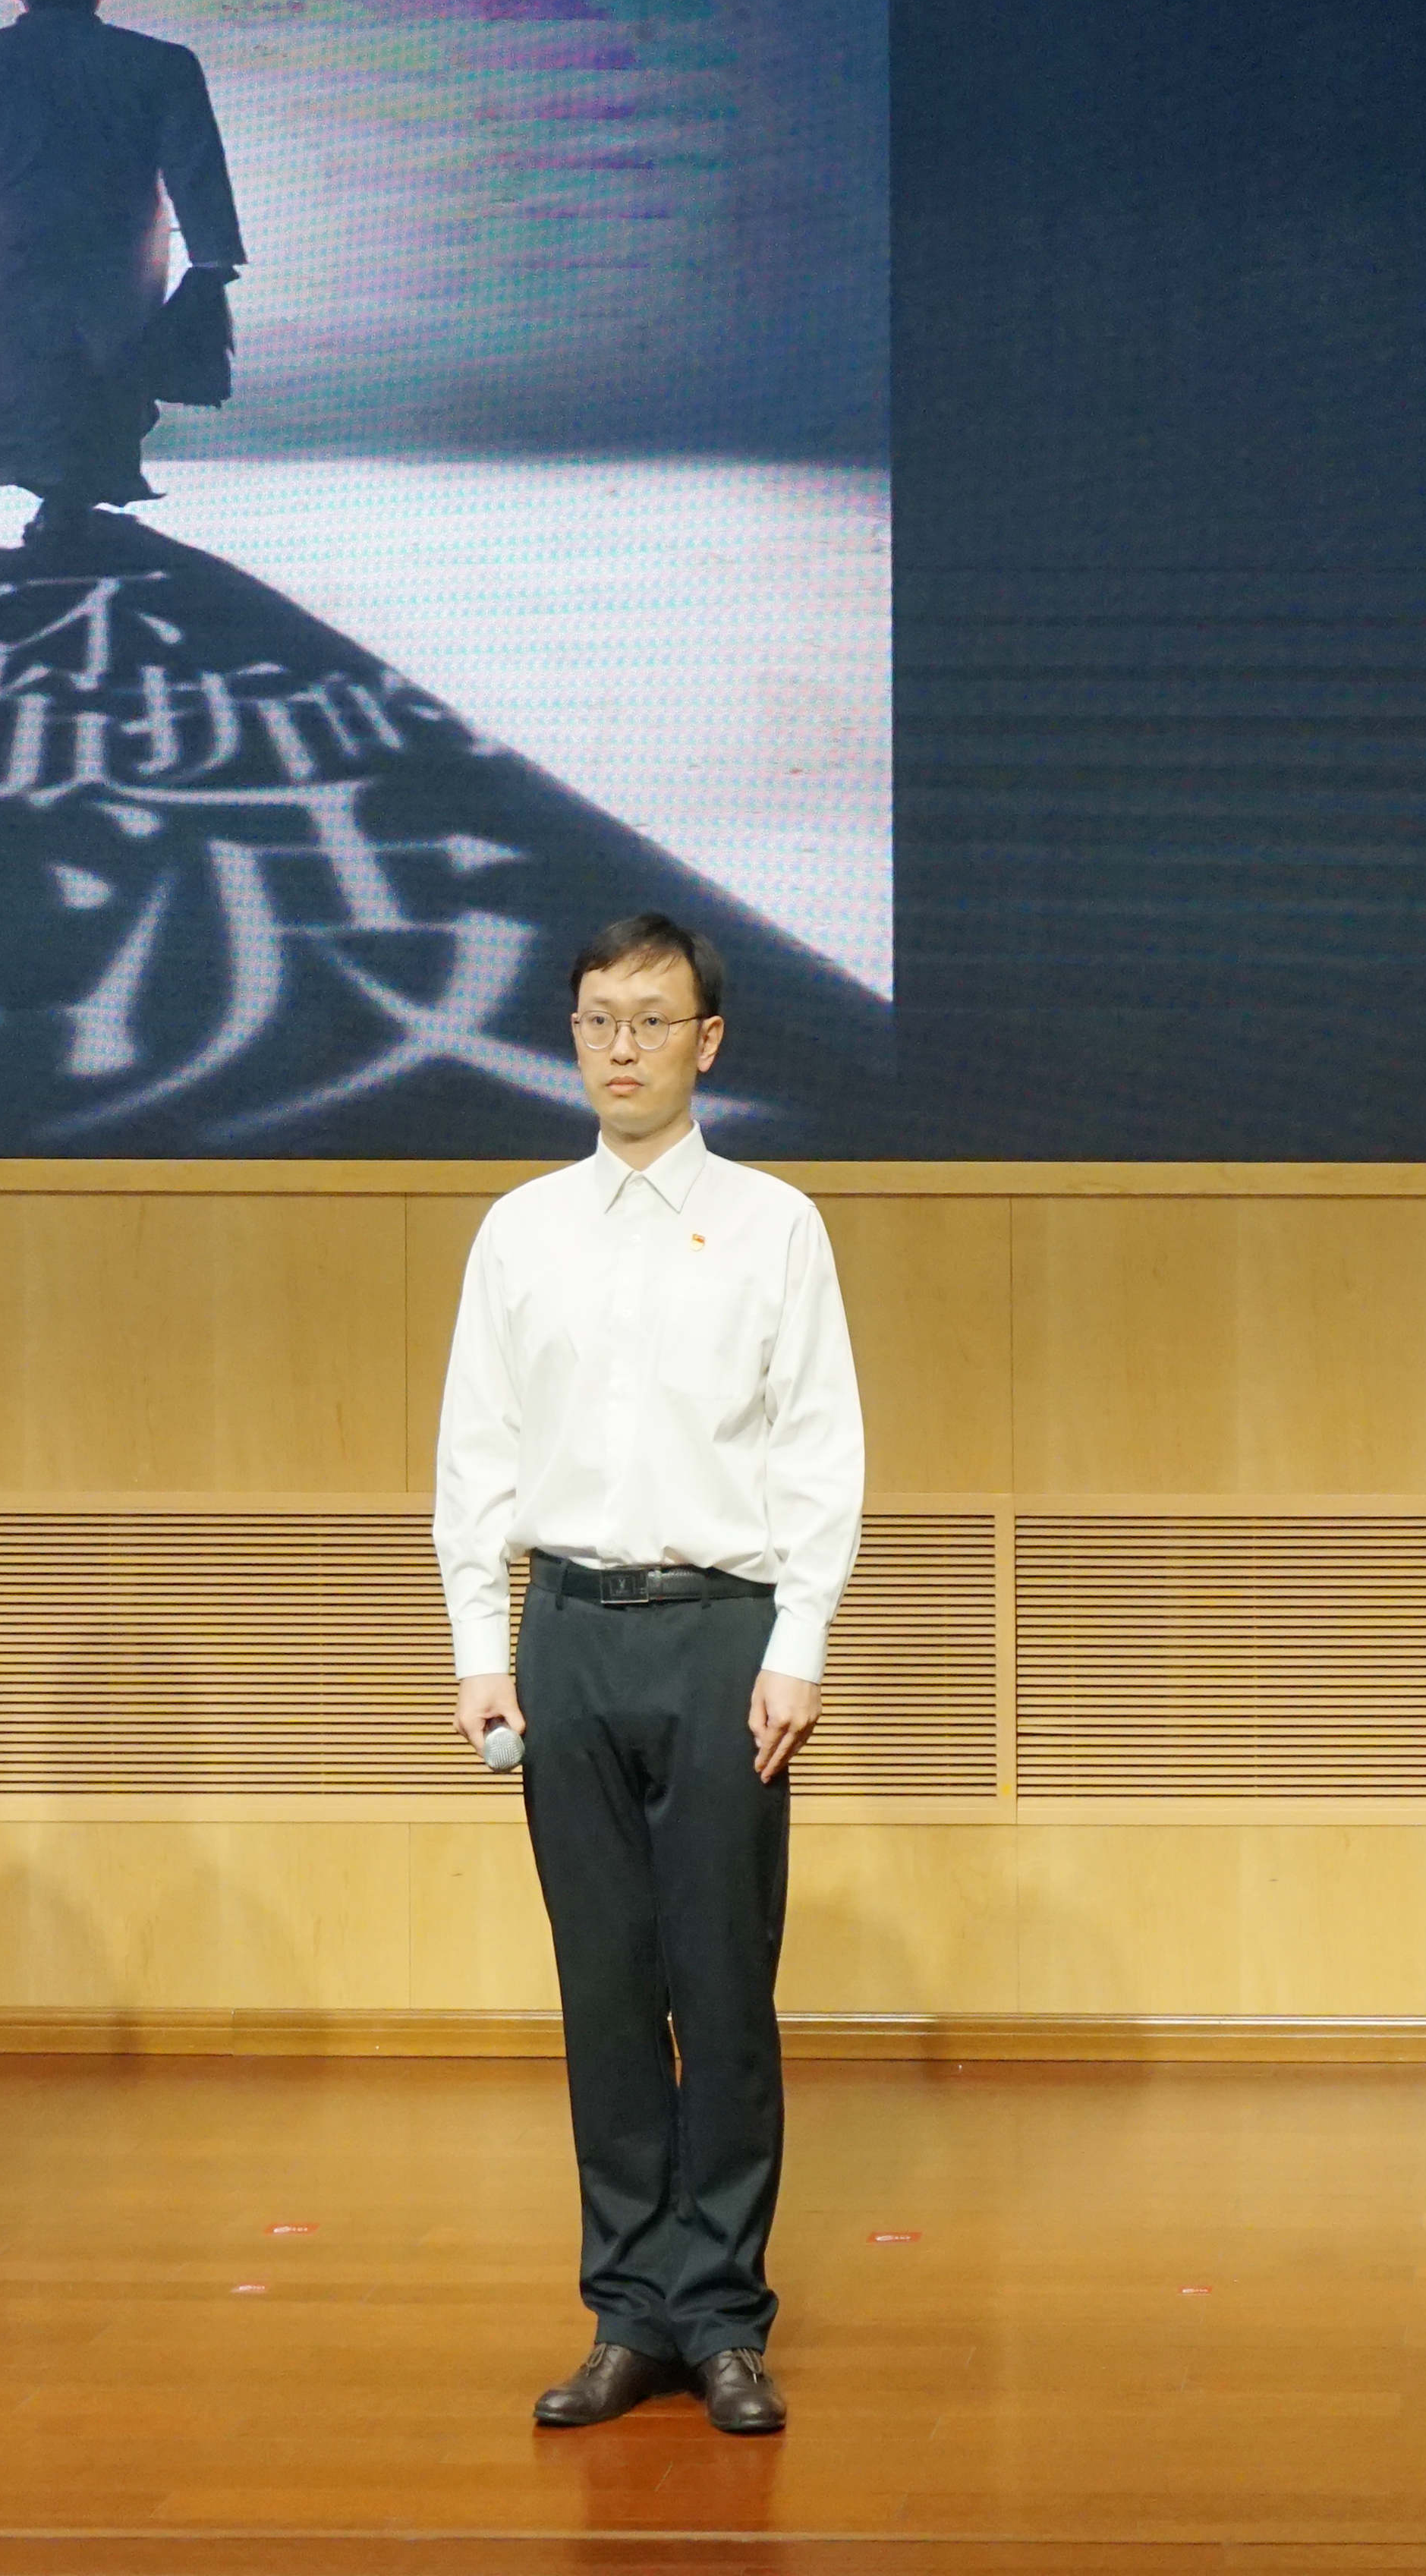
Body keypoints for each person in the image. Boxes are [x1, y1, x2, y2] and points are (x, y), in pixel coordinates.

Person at [433, 915, 863, 2439]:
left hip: (723, 1634)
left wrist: (799, 1642)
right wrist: (482, 1650)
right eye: (597, 1019)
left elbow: (820, 1449)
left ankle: (724, 2314)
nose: (623, 1046)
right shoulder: (521, 1230)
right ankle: (629, 2309)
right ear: (573, 1037)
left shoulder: (774, 1225)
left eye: (652, 1019)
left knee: (723, 1983)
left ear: (708, 1041)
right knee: (605, 1985)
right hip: (569, 1631)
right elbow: (474, 1455)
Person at [0, 0, 244, 540]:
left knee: (17, 368)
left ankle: (49, 490)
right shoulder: (160, 62)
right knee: (108, 368)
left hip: (8, 238)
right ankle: (76, 497)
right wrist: (214, 252)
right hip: (120, 241)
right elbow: (194, 162)